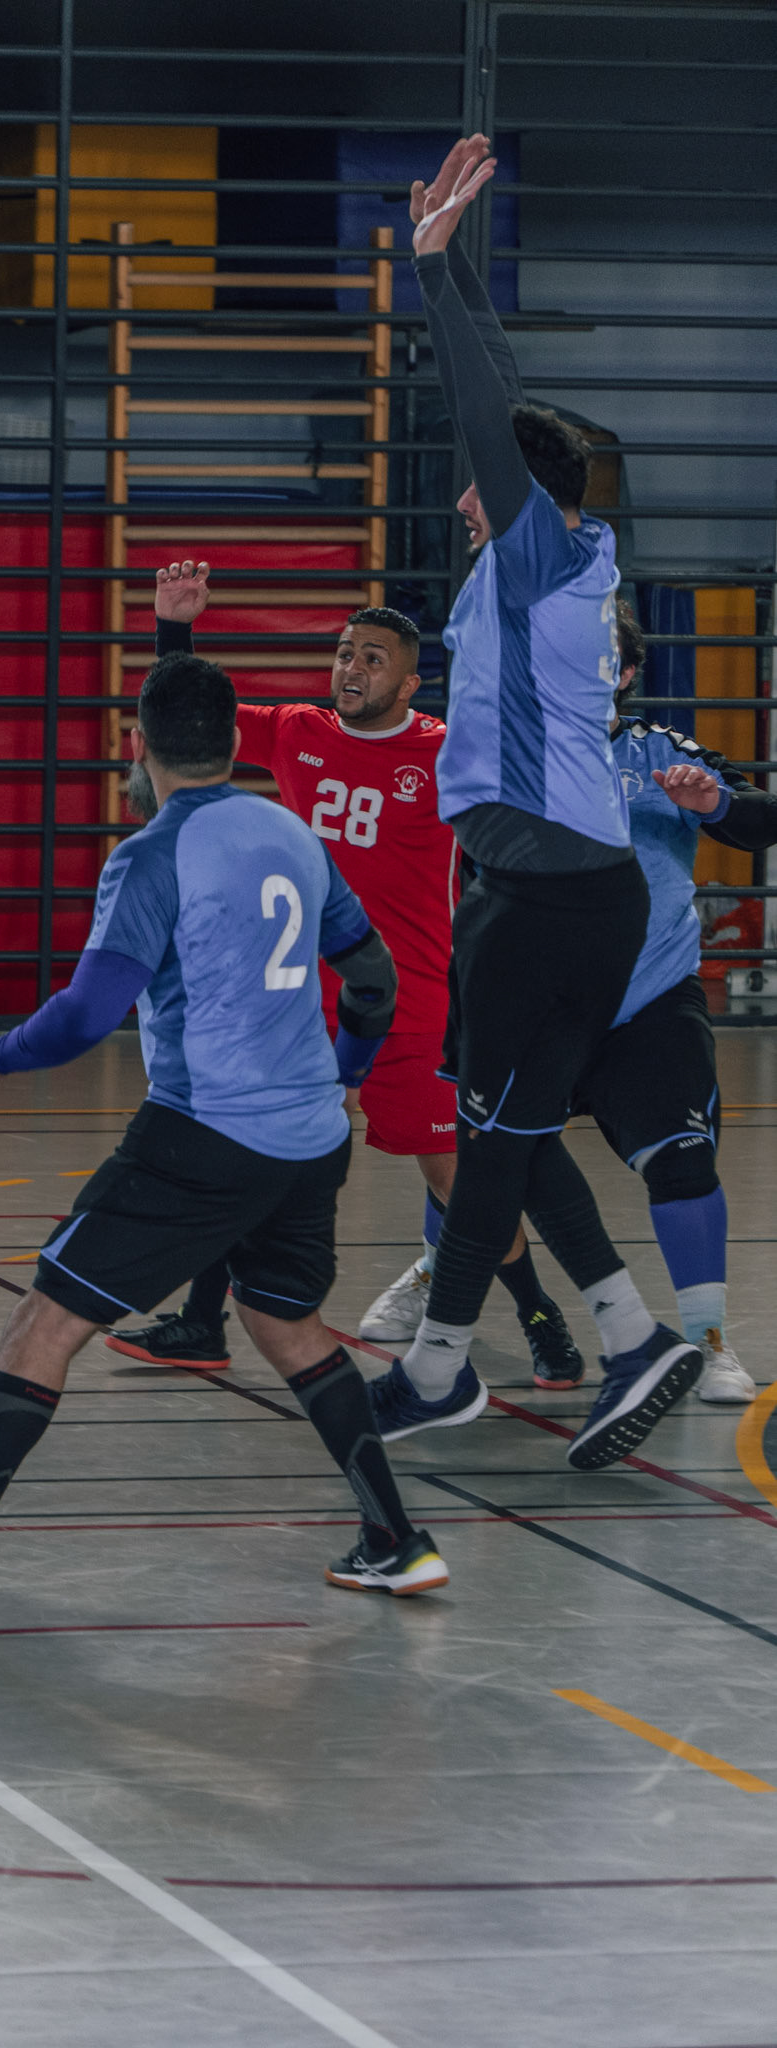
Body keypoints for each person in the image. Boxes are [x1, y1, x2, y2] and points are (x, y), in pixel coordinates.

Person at [0, 649, 450, 1619]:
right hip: (310, 1138)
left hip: (203, 1137)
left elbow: (86, 1013)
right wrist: (346, 1073)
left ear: (138, 743)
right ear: (234, 741)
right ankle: (396, 1541)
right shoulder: (294, 832)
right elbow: (374, 980)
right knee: (286, 1326)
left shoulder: (153, 855)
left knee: (44, 1323)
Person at [364, 134, 701, 1473]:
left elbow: (478, 407)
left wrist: (429, 274)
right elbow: (502, 398)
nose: (467, 491)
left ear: (525, 492)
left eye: (490, 478)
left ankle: (439, 1367)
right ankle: (628, 1335)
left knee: (489, 1134)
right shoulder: (564, 556)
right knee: (510, 1128)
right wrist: (462, 273)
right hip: (561, 888)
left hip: (543, 895)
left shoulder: (535, 554)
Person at [107, 567, 584, 1390]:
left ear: (408, 681)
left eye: (371, 658)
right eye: (342, 654)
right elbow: (184, 719)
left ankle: (540, 1315)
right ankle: (201, 1321)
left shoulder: (447, 751)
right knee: (241, 1148)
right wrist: (172, 628)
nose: (351, 669)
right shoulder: (297, 731)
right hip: (297, 994)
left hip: (410, 997)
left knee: (454, 1173)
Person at [565, 599, 777, 1400]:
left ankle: (708, 1342)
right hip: (540, 1002)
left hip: (648, 1004)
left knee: (684, 1164)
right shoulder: (514, 747)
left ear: (623, 673)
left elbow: (761, 818)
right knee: (477, 1160)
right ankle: (436, 1290)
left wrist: (710, 804)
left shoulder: (660, 750)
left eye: (599, 653)